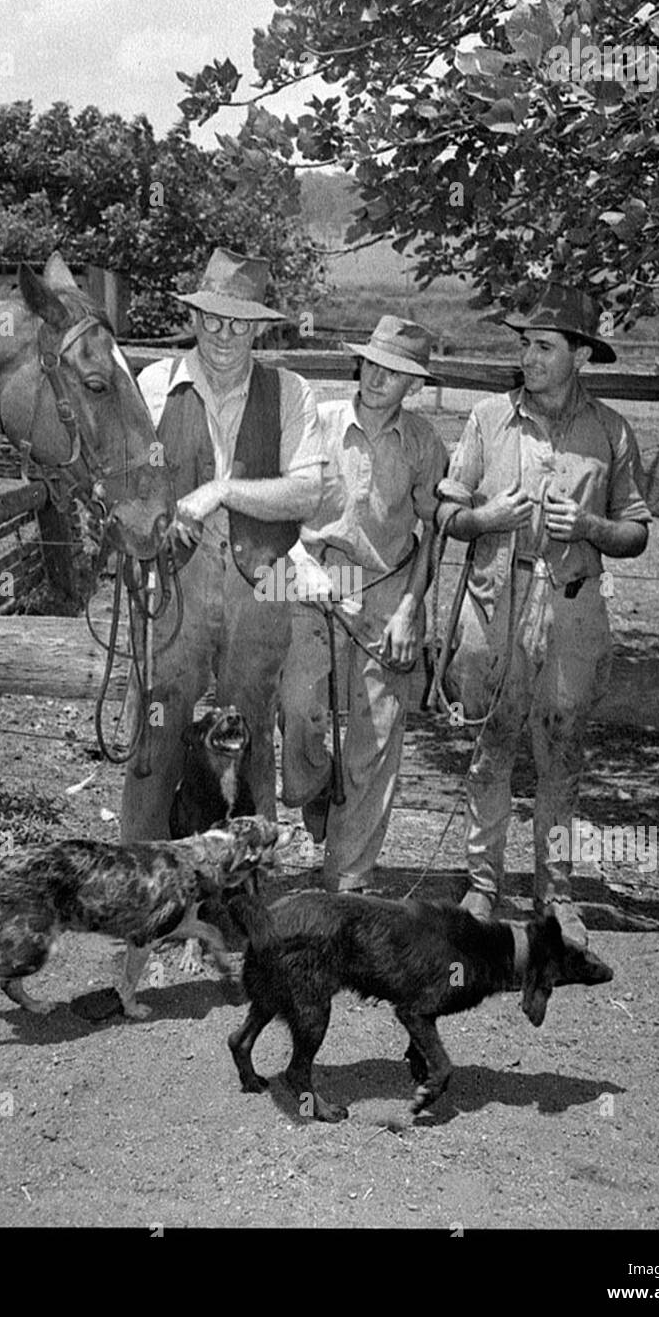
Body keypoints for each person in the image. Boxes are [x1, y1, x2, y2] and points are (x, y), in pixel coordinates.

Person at [435, 282, 652, 947]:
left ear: (579, 355)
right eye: (524, 344)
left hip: (572, 607)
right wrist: (482, 518)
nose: (528, 357)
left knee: (561, 753)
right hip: (495, 603)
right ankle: (481, 888)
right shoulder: (486, 418)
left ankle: (554, 897)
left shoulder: (610, 432)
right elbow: (446, 514)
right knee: (490, 745)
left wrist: (588, 524)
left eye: (544, 346)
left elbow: (637, 533)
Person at [121, 247, 324, 845]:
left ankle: (249, 878)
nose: (223, 334)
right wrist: (159, 518)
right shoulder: (155, 385)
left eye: (238, 322)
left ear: (258, 327)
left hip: (259, 581)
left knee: (251, 723)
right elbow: (127, 488)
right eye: (211, 318)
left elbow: (307, 492)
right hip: (173, 582)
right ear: (195, 318)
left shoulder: (290, 392)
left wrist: (223, 490)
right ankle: (140, 871)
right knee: (158, 723)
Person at [280, 315, 449, 892]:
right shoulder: (319, 423)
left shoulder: (424, 442)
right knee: (298, 709)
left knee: (374, 742)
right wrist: (303, 569)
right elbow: (283, 511)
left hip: (386, 591)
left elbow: (436, 532)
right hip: (314, 584)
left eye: (396, 372)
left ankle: (346, 882)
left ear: (414, 385)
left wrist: (410, 608)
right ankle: (312, 785)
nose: (379, 378)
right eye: (373, 364)